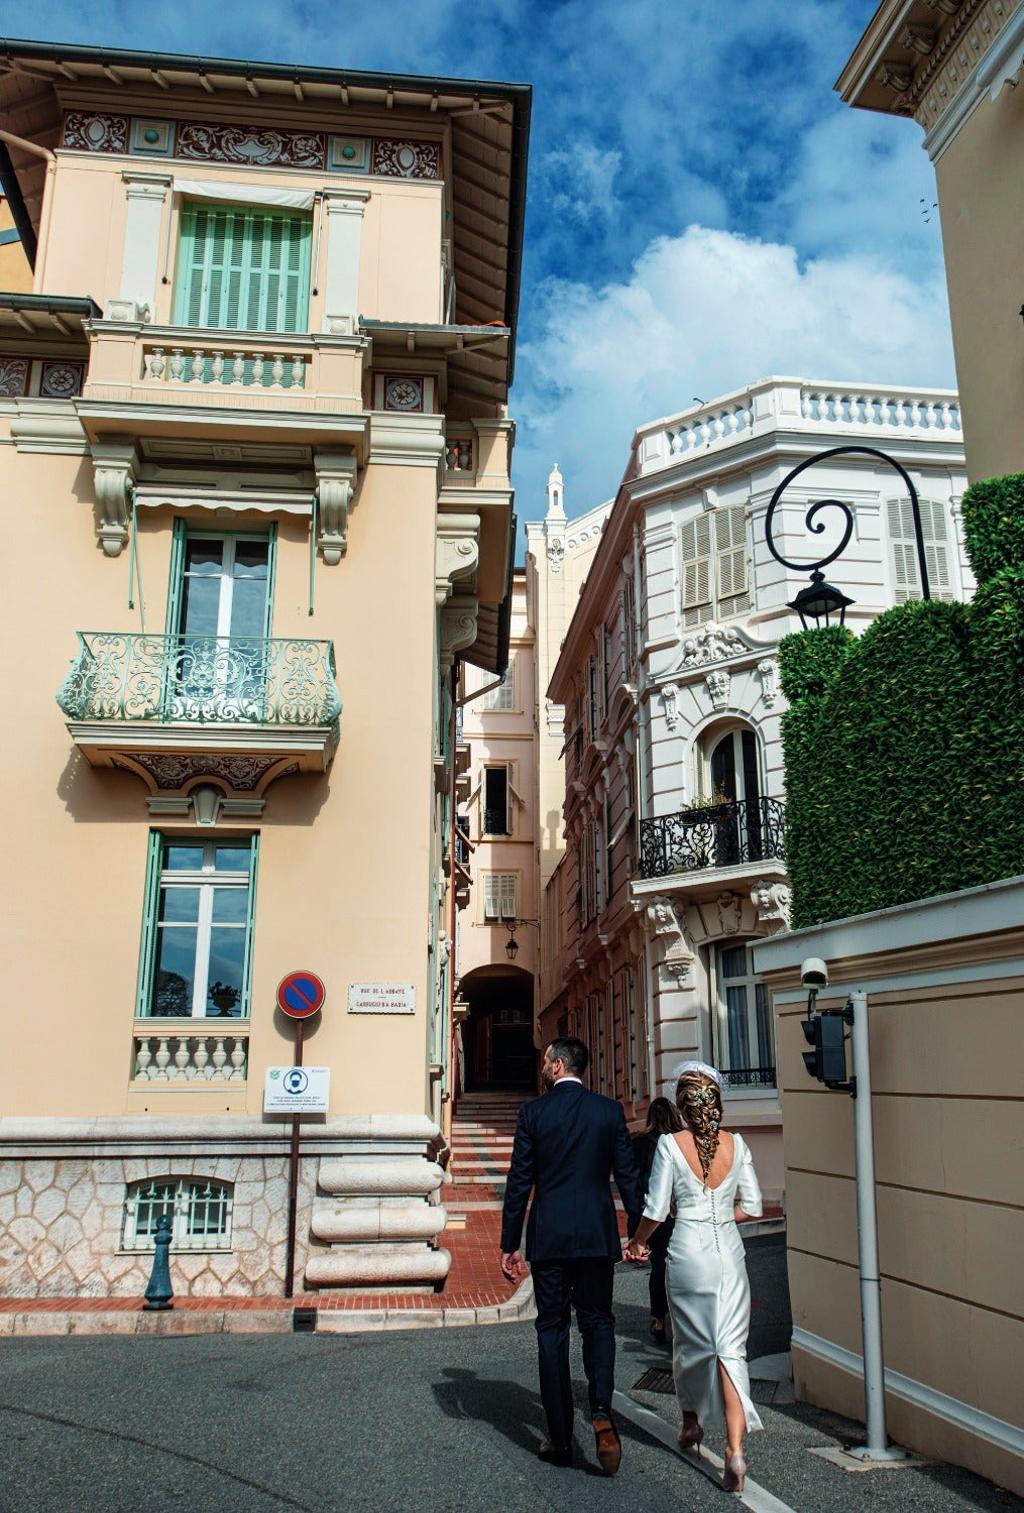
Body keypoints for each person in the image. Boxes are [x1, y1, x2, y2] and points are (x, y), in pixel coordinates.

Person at [500, 1036, 644, 1476]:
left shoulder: (533, 1114)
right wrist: (639, 1234)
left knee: (552, 1329)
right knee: (599, 1322)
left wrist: (510, 1243)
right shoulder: (608, 1111)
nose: (543, 1067)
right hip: (597, 1237)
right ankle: (600, 1410)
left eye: (546, 1061)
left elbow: (519, 1182)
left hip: (550, 1239)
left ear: (559, 1065)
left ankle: (560, 1438)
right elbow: (629, 1177)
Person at [625, 1061, 764, 1494]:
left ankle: (690, 1427)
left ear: (684, 1108)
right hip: (730, 1256)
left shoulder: (670, 1144)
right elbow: (754, 1207)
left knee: (691, 1344)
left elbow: (654, 1209)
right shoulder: (737, 1145)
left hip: (687, 1252)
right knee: (730, 1349)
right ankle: (736, 1452)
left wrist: (636, 1242)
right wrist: (722, 1215)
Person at [630, 1097, 682, 1345]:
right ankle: (680, 1317)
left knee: (659, 1265)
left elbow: (634, 1182)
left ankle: (658, 1319)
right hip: (681, 1211)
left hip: (653, 1213)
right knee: (680, 1265)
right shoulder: (683, 1140)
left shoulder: (639, 1143)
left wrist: (637, 1230)